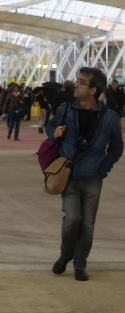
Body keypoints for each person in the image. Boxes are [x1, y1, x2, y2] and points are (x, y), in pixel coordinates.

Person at [47, 67, 123, 281]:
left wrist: (102, 169)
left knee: (87, 223)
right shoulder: (65, 109)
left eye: (81, 82)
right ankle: (65, 255)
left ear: (93, 90)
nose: (76, 84)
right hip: (68, 175)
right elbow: (50, 126)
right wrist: (54, 132)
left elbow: (117, 147)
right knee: (72, 219)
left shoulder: (110, 117)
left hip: (92, 178)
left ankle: (80, 264)